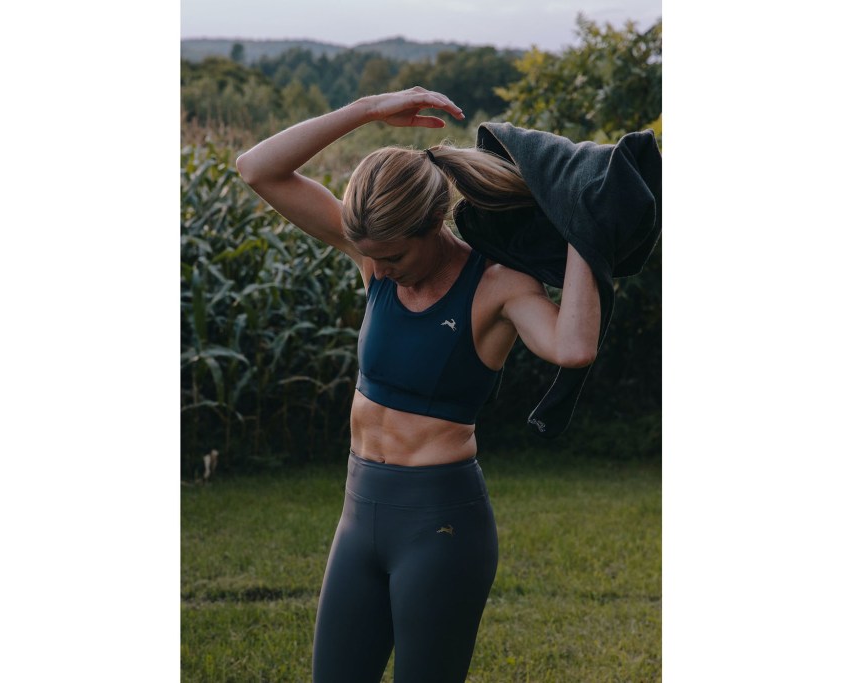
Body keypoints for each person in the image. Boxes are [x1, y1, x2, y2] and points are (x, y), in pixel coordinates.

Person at [235, 86, 601, 683]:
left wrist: (584, 227)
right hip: (358, 516)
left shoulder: (498, 287)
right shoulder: (373, 260)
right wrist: (368, 111)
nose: (378, 270)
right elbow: (257, 168)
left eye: (393, 258)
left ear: (432, 224)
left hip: (440, 527)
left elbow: (574, 347)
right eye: (370, 256)